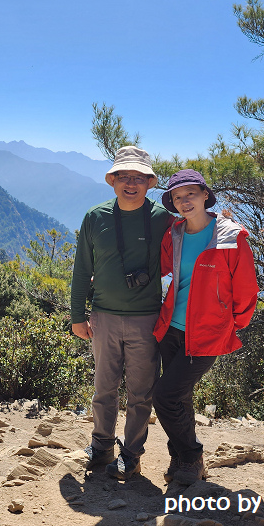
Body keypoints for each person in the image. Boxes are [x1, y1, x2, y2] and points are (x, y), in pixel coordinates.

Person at [70, 146, 173, 480]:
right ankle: (101, 446)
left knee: (141, 393)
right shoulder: (95, 217)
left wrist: (223, 223)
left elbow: (197, 234)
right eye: (124, 176)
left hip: (147, 319)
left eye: (139, 177)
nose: (132, 183)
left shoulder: (163, 219)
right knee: (104, 388)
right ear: (112, 181)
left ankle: (131, 455)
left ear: (150, 183)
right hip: (103, 318)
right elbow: (82, 268)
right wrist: (77, 315)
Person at [152, 169, 259, 485]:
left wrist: (231, 325)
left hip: (207, 334)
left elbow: (246, 289)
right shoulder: (174, 234)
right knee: (180, 397)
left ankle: (192, 454)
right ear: (173, 203)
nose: (184, 202)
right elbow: (163, 274)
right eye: (177, 197)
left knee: (165, 396)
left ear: (205, 195)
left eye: (190, 195)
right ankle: (181, 459)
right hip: (171, 328)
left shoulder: (229, 237)